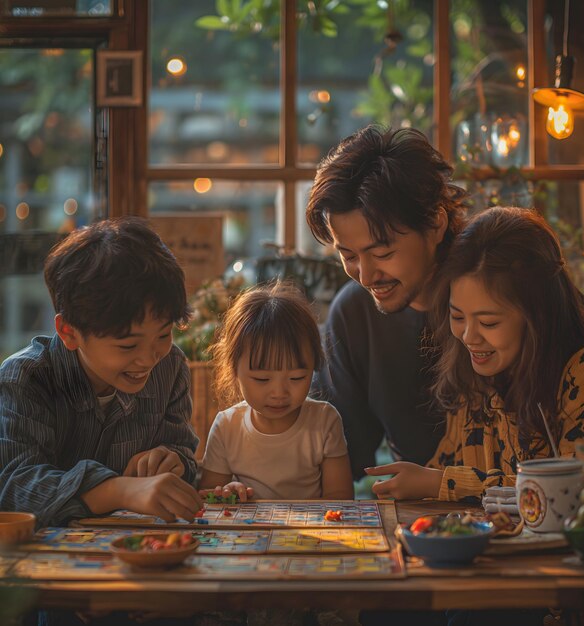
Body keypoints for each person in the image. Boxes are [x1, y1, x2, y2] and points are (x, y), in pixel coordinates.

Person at [366, 206, 584, 503]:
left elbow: (574, 493)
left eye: (489, 322)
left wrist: (442, 484)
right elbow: (444, 469)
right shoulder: (476, 376)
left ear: (538, 317)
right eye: (458, 316)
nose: (468, 337)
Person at [0, 217, 203, 530]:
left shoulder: (169, 366)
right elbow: (16, 486)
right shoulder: (25, 378)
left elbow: (184, 454)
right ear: (69, 332)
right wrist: (119, 490)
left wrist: (173, 461)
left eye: (163, 335)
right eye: (127, 345)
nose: (149, 358)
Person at [306, 124, 467, 478]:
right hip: (419, 519)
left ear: (436, 223)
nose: (365, 276)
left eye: (382, 252)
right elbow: (344, 452)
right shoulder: (355, 312)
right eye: (348, 255)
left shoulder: (494, 290)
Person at [199, 281, 354, 501]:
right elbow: (209, 499)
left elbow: (340, 499)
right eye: (262, 379)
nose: (279, 392)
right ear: (234, 370)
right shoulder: (227, 427)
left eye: (296, 378)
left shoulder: (324, 421)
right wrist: (227, 492)